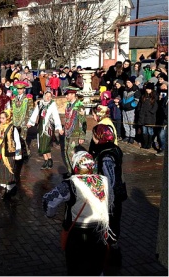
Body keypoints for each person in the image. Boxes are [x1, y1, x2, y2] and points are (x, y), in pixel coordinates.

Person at [42, 150, 113, 276]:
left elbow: (48, 201)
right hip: (99, 233)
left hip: (77, 234)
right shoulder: (104, 181)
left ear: (76, 166)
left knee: (76, 268)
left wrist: (50, 214)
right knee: (97, 268)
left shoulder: (71, 183)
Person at [90, 124, 127, 267]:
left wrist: (105, 199)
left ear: (99, 136)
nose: (93, 138)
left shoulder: (106, 154)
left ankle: (109, 254)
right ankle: (111, 249)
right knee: (114, 222)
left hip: (110, 197)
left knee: (110, 222)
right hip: (116, 194)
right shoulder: (113, 148)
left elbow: (109, 179)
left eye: (94, 135)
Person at [0, 109, 21, 200]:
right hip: (0, 153)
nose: (1, 120)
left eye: (3, 118)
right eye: (0, 118)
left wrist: (18, 154)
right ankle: (5, 188)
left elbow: (17, 142)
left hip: (9, 153)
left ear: (8, 118)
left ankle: (10, 189)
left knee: (9, 170)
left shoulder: (12, 128)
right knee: (2, 170)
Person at [27, 91, 63, 169]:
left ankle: (49, 159)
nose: (48, 97)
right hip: (40, 125)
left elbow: (56, 115)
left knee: (46, 143)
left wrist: (59, 127)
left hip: (49, 127)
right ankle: (46, 160)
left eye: (50, 96)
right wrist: (30, 122)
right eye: (47, 95)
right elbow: (35, 113)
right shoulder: (40, 103)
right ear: (44, 96)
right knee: (40, 142)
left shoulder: (52, 104)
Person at [60, 87, 87, 178]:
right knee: (66, 152)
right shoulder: (69, 105)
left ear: (73, 95)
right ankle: (70, 171)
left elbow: (82, 121)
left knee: (71, 153)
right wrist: (64, 128)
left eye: (67, 94)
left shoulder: (79, 106)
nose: (66, 96)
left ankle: (75, 174)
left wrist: (82, 136)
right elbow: (68, 118)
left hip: (75, 133)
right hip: (68, 132)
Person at [137, 82, 158, 149]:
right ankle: (145, 143)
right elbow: (140, 105)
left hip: (150, 117)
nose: (147, 90)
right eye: (147, 89)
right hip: (142, 116)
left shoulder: (154, 97)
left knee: (150, 131)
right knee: (144, 131)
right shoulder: (143, 96)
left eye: (149, 89)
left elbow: (155, 107)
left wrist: (150, 112)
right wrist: (139, 111)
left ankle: (149, 143)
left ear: (152, 90)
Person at [121, 75, 141, 144]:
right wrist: (122, 104)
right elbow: (123, 98)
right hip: (124, 109)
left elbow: (136, 101)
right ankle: (127, 135)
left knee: (131, 123)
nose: (127, 84)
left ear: (132, 83)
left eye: (129, 82)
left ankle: (132, 136)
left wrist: (131, 106)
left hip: (131, 109)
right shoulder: (125, 90)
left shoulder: (135, 90)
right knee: (125, 122)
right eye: (127, 82)